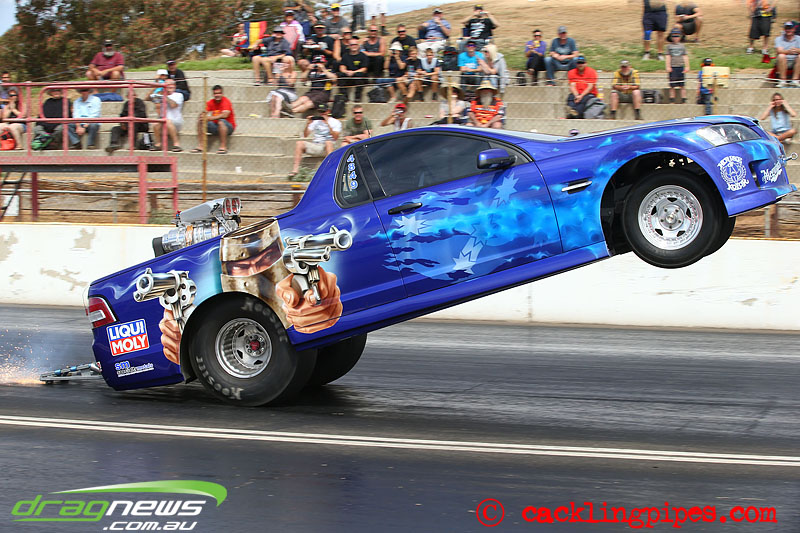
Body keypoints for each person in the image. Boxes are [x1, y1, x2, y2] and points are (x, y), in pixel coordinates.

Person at [290, 103, 341, 177]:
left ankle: (329, 169)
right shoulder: (316, 121)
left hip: (328, 147)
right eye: (320, 112)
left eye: (323, 112)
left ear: (328, 112)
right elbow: (305, 135)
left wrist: (327, 124)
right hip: (316, 145)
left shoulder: (335, 122)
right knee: (299, 143)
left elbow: (335, 137)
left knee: (328, 142)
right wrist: (308, 124)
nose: (322, 114)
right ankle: (295, 170)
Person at [191, 85, 236, 154]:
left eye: (219, 93)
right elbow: (204, 112)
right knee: (200, 120)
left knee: (221, 121)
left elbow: (225, 115)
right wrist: (202, 116)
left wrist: (210, 118)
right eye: (215, 93)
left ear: (222, 93)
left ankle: (223, 147)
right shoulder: (210, 102)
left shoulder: (226, 101)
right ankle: (201, 146)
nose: (217, 95)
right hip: (215, 126)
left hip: (228, 127)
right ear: (213, 94)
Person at [148, 78, 183, 151]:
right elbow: (147, 98)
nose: (169, 87)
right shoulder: (160, 94)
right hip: (163, 121)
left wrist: (165, 97)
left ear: (174, 86)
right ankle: (158, 144)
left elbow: (173, 105)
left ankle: (176, 144)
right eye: (167, 85)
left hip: (175, 121)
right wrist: (154, 88)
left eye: (171, 85)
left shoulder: (178, 95)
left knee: (167, 121)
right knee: (155, 123)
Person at [339, 37, 369, 102]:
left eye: (355, 44)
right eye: (352, 45)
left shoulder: (363, 56)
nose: (354, 46)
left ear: (358, 46)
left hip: (358, 77)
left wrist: (354, 72)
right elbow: (342, 67)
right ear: (349, 46)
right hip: (349, 76)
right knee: (341, 75)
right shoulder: (345, 56)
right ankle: (344, 96)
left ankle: (357, 97)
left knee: (359, 74)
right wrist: (346, 71)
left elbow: (364, 69)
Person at [665, 28, 690, 103]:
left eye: (677, 36)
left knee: (682, 85)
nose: (675, 38)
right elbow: (668, 56)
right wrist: (668, 66)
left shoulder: (682, 46)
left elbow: (685, 56)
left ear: (680, 37)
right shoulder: (669, 46)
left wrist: (687, 66)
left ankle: (684, 99)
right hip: (673, 67)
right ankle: (672, 99)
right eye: (673, 36)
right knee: (672, 85)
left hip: (680, 67)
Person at [775, 21, 800, 88]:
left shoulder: (798, 38)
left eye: (790, 28)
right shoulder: (779, 39)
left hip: (795, 60)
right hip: (784, 60)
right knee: (781, 56)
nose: (788, 30)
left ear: (794, 29)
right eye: (786, 28)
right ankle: (783, 80)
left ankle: (795, 80)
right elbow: (779, 50)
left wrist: (797, 50)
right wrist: (788, 52)